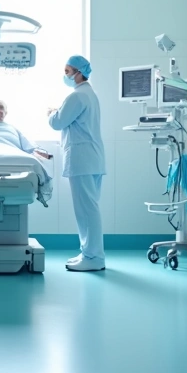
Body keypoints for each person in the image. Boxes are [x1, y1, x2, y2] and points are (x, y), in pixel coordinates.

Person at [48, 55, 107, 272]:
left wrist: (51, 113)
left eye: (67, 71)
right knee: (88, 208)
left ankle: (93, 257)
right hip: (91, 158)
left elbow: (58, 122)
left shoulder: (77, 96)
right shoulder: (89, 94)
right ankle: (88, 253)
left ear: (79, 72)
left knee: (86, 210)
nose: (66, 76)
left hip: (82, 159)